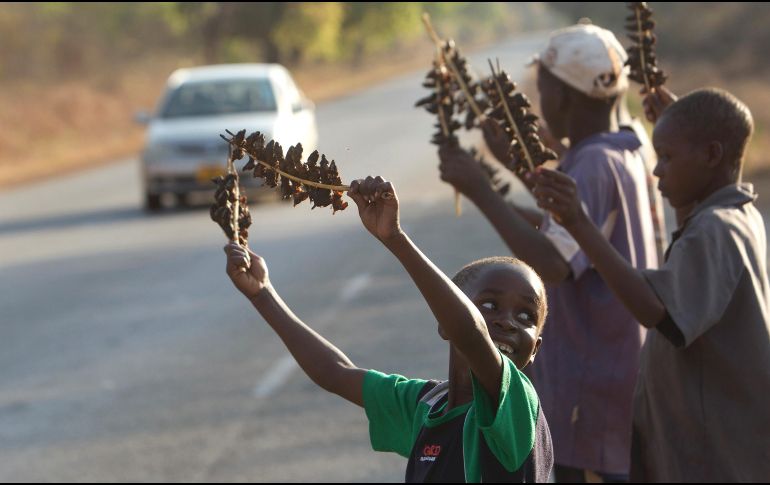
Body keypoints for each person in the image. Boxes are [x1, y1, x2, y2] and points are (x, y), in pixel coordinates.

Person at [224, 176, 553, 482]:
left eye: (526, 316)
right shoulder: (428, 404)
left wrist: (395, 238)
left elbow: (471, 333)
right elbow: (336, 372)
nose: (508, 321)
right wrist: (263, 294)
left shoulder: (517, 404)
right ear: (443, 323)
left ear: (536, 349)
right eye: (490, 305)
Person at [439, 24, 657, 482]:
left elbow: (554, 263)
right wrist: (510, 169)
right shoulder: (628, 150)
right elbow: (567, 234)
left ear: (562, 96)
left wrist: (481, 190)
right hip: (614, 372)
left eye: (544, 89)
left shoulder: (593, 163)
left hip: (589, 380)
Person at [532, 88, 770, 482]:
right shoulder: (734, 214)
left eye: (667, 157)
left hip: (716, 460)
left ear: (712, 155)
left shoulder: (715, 230)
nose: (656, 170)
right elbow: (695, 211)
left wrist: (578, 222)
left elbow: (653, 309)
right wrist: (678, 129)